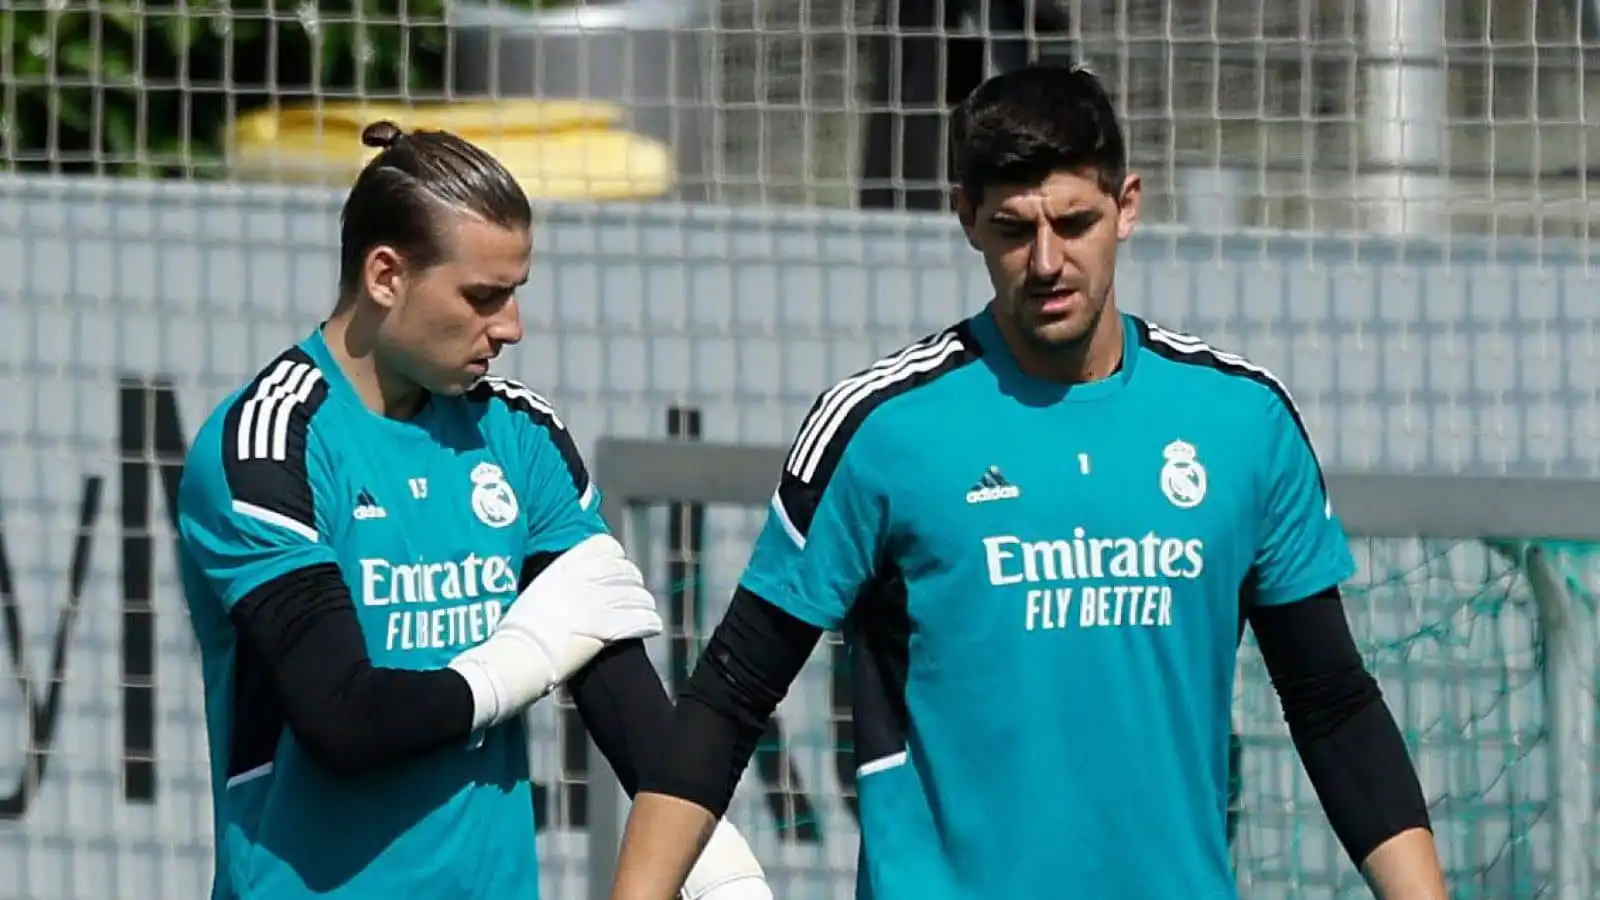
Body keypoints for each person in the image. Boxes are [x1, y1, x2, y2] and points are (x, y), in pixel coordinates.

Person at [606, 64, 1450, 900]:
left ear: (1127, 206)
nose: (1047, 261)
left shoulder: (1243, 421)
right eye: (1014, 229)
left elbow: (1331, 701)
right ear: (966, 218)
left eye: (1074, 223)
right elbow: (732, 693)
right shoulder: (882, 428)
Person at [175, 121, 772, 900]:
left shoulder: (520, 434)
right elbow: (342, 719)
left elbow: (620, 692)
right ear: (386, 276)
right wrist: (518, 665)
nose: (511, 326)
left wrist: (721, 869)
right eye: (483, 296)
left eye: (516, 292)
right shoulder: (268, 443)